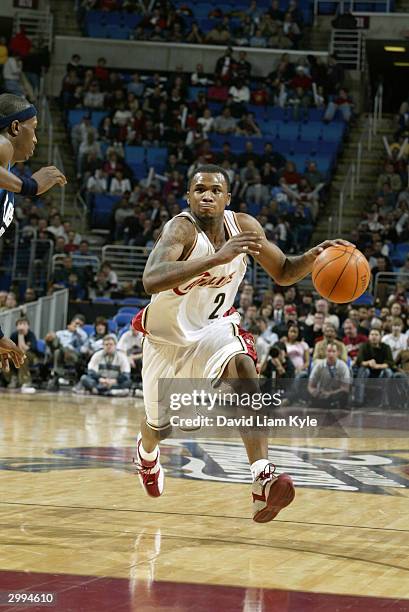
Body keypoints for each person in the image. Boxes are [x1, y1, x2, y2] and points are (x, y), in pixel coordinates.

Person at [131, 163, 351, 523]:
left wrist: (313, 258)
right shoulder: (180, 229)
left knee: (243, 365)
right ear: (188, 196)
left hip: (215, 328)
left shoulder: (244, 227)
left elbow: (282, 271)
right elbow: (151, 279)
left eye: (215, 190)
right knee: (159, 427)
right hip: (166, 339)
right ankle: (146, 454)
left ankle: (261, 477)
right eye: (199, 189)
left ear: (227, 198)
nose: (207, 195)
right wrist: (216, 258)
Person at [0, 93, 66, 372]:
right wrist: (31, 186)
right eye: (34, 127)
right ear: (15, 127)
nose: (36, 138)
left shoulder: (7, 170)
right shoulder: (3, 146)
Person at [308, 343, 351, 408]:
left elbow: (345, 388)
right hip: (322, 394)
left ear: (338, 353)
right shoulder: (319, 365)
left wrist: (330, 393)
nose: (331, 354)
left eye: (333, 351)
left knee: (344, 393)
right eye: (329, 351)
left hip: (336, 394)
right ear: (325, 352)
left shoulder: (343, 366)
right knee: (311, 395)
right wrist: (316, 393)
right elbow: (310, 386)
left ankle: (333, 404)